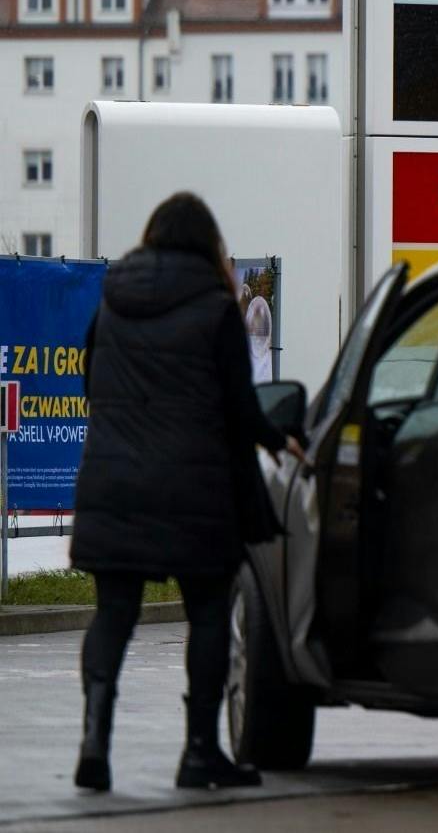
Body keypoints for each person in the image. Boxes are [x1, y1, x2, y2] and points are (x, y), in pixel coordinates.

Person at [69, 193, 306, 792]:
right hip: (194, 487)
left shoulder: (113, 295)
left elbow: (88, 372)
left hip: (115, 481)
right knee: (206, 612)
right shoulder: (213, 305)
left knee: (112, 614)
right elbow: (239, 404)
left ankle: (95, 739)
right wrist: (282, 440)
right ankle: (200, 751)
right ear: (208, 244)